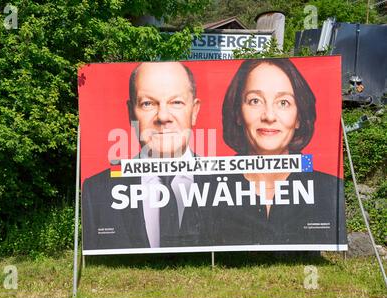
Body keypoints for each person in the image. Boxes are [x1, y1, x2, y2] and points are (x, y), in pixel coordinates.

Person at [82, 61, 214, 251]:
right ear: (130, 113)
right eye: (147, 103)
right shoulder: (97, 190)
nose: (163, 116)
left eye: (176, 102)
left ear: (194, 111)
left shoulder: (227, 182)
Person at [216, 58, 347, 246]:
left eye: (283, 102)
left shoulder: (328, 189)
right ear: (238, 113)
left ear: (298, 117)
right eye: (255, 101)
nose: (269, 116)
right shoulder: (208, 187)